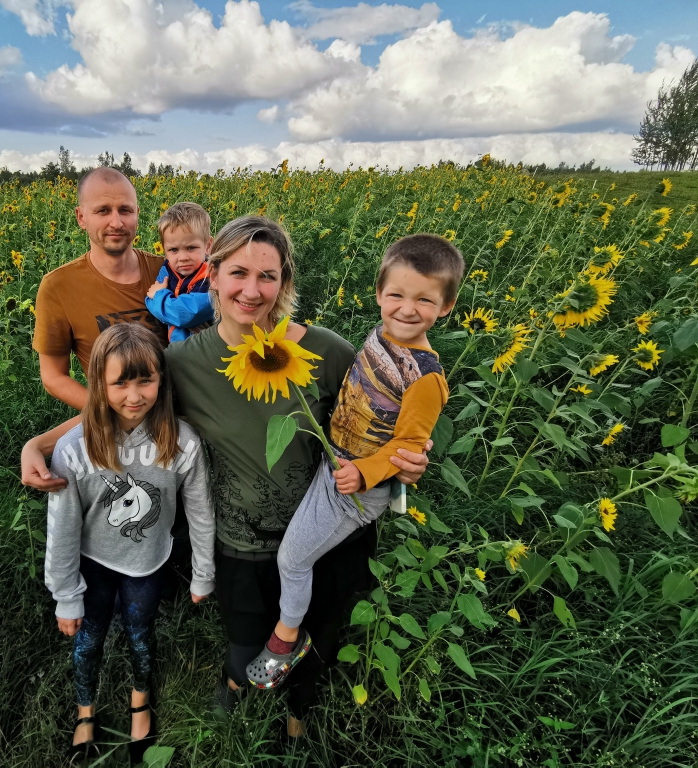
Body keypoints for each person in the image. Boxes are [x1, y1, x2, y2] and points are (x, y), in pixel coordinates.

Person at [21, 215, 433, 744]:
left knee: (319, 635)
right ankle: (238, 682)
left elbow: (385, 418)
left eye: (269, 276)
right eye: (238, 272)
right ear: (212, 275)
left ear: (285, 283)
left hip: (327, 533)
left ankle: (296, 716)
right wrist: (40, 444)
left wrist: (408, 461)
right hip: (241, 540)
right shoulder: (185, 363)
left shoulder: (329, 353)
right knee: (244, 642)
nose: (252, 290)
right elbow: (123, 403)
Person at [245, 233, 462, 689]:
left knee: (292, 559)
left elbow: (408, 448)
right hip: (338, 465)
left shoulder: (425, 379)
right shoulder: (381, 335)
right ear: (380, 294)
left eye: (424, 299)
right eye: (397, 295)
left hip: (357, 490)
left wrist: (365, 472)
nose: (407, 308)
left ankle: (288, 639)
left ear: (446, 305)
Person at [44, 323, 215, 764]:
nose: (134, 395)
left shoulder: (182, 443)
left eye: (146, 380)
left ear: (162, 378)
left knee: (141, 636)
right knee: (89, 639)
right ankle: (86, 711)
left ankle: (141, 698)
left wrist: (203, 572)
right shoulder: (74, 448)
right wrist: (65, 596)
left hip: (148, 563)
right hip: (92, 564)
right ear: (99, 383)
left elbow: (200, 512)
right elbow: (62, 526)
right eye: (120, 382)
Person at [34, 166, 165, 411]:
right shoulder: (59, 287)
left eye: (125, 210)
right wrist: (106, 414)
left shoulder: (167, 272)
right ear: (81, 217)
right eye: (103, 211)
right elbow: (53, 377)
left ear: (137, 213)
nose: (116, 222)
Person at [145, 202, 215, 343]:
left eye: (191, 248)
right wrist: (168, 307)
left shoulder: (213, 278)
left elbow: (186, 314)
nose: (182, 258)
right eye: (174, 250)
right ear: (164, 250)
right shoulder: (167, 270)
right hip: (175, 349)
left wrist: (160, 296)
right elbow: (148, 300)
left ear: (207, 246)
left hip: (203, 351)